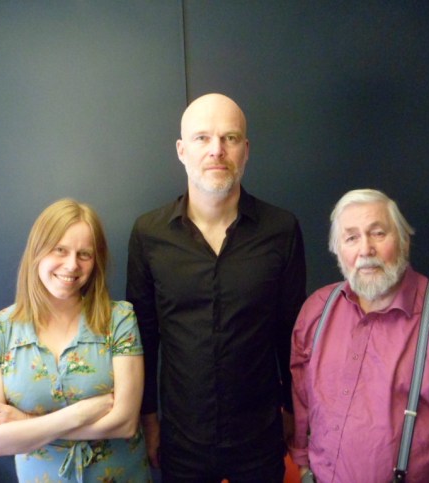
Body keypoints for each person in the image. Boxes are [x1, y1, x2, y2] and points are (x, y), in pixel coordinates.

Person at [126, 93, 307, 482]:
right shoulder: (148, 234)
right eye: (202, 138)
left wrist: (294, 410)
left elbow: (292, 333)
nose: (216, 150)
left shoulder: (282, 230)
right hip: (180, 439)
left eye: (230, 138)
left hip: (261, 436)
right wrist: (149, 418)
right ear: (181, 150)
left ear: (246, 150)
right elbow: (143, 338)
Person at [289, 188, 429, 482]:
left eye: (378, 233)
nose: (365, 250)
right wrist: (304, 466)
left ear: (404, 241)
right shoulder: (316, 310)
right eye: (351, 238)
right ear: (337, 251)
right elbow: (302, 401)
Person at [0, 198, 150, 483]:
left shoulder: (119, 319)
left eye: (84, 254)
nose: (71, 265)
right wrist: (79, 414)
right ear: (37, 252)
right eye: (60, 250)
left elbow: (125, 423)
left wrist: (24, 424)